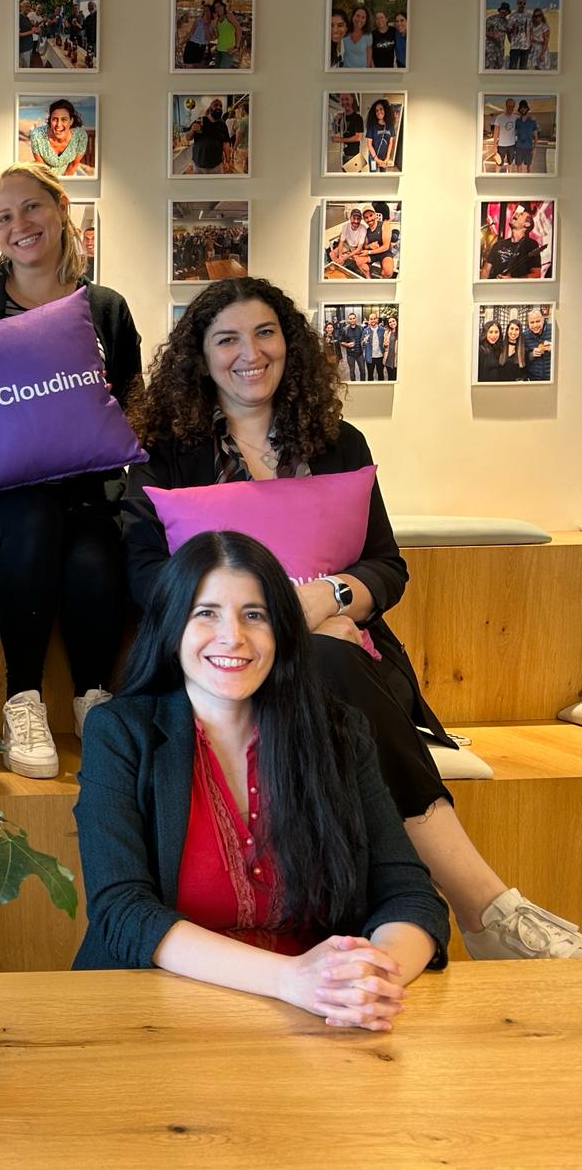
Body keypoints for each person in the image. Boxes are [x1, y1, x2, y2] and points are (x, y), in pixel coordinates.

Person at [122, 277, 582, 961]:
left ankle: (460, 915)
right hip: (219, 660)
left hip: (347, 648)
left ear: (290, 343)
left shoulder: (340, 441)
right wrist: (278, 620)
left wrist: (332, 597)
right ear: (200, 355)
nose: (250, 352)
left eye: (266, 333)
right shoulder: (162, 449)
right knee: (328, 659)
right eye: (227, 339)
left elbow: (386, 566)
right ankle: (486, 908)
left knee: (334, 661)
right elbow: (146, 575)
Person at [73, 530, 449, 1030]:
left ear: (282, 631)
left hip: (318, 1019)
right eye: (206, 613)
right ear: (171, 626)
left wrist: (368, 978)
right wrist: (292, 979)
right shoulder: (120, 732)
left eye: (255, 615)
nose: (233, 636)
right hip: (153, 1014)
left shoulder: (339, 733)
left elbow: (410, 894)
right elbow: (122, 911)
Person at [0, 163, 143, 777]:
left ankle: (95, 702)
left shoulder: (106, 308)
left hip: (84, 489)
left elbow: (133, 401)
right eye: (4, 217)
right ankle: (23, 700)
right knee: (36, 517)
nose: (20, 225)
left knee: (96, 546)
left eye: (32, 207)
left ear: (61, 207)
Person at [28, 100, 89, 176]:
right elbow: (41, 167)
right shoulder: (37, 135)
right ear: (50, 120)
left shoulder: (80, 136)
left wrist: (65, 181)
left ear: (71, 121)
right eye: (55, 119)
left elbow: (73, 165)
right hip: (45, 177)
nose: (58, 124)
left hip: (69, 175)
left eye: (64, 119)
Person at [481, 206, 543, 279]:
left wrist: (513, 280)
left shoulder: (530, 245)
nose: (516, 213)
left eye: (521, 214)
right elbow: (485, 271)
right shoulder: (498, 244)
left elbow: (536, 274)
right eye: (516, 213)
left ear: (527, 224)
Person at [184, 99, 231, 175]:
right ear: (210, 108)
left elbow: (226, 143)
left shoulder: (222, 124)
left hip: (216, 166)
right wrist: (192, 130)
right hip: (199, 166)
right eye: (215, 105)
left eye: (221, 106)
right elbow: (188, 138)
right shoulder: (200, 120)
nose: (218, 108)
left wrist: (228, 161)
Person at [364, 98, 397, 173]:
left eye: (381, 109)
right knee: (373, 177)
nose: (379, 112)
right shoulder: (372, 126)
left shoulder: (390, 126)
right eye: (376, 110)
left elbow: (390, 143)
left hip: (384, 159)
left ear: (385, 110)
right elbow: (369, 144)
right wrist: (376, 159)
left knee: (383, 177)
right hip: (373, 158)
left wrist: (387, 158)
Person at [488, 98, 519, 173]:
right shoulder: (499, 117)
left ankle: (509, 176)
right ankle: (496, 176)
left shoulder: (516, 117)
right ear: (506, 105)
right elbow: (495, 133)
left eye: (512, 106)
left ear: (514, 107)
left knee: (510, 163)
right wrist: (494, 146)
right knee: (499, 163)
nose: (510, 108)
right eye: (509, 106)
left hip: (512, 145)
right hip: (501, 145)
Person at [521, 308, 552, 381]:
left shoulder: (553, 329)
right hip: (534, 378)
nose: (535, 325)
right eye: (532, 322)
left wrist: (554, 348)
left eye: (538, 321)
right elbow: (523, 359)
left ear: (543, 320)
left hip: (553, 377)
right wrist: (532, 355)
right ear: (528, 323)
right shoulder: (525, 335)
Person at [211, 0, 241, 68]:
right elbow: (217, 35)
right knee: (216, 70)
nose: (217, 9)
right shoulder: (218, 19)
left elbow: (239, 29)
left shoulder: (228, 15)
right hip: (218, 49)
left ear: (223, 6)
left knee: (223, 71)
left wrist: (236, 47)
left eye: (219, 6)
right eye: (215, 8)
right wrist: (214, 23)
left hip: (228, 50)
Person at [511, 100, 538, 174]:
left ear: (527, 108)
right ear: (519, 109)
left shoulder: (532, 121)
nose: (523, 109)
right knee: (518, 165)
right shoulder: (517, 121)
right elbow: (515, 133)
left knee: (529, 166)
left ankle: (528, 179)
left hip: (529, 147)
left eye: (524, 107)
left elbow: (536, 136)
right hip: (519, 147)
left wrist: (535, 148)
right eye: (521, 107)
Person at [485, 0, 510, 70]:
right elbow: (484, 32)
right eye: (503, 10)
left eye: (506, 11)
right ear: (500, 10)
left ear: (507, 12)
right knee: (489, 68)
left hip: (500, 50)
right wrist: (493, 35)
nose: (504, 12)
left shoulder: (507, 22)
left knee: (498, 68)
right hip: (490, 49)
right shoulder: (491, 19)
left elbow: (509, 34)